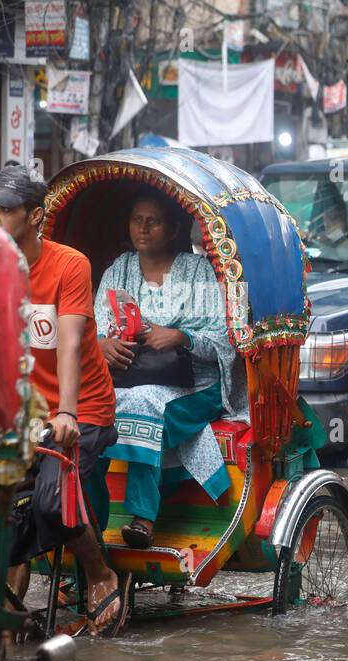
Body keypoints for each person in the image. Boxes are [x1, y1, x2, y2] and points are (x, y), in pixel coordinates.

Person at [0, 165, 126, 634]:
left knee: (50, 501)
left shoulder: (69, 264)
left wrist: (66, 412)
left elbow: (68, 343)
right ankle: (8, 608)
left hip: (82, 407)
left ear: (35, 215)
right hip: (24, 410)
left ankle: (100, 573)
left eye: (5, 210)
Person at [95, 188, 243, 548]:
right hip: (130, 377)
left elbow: (224, 342)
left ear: (174, 229)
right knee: (93, 408)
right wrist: (103, 344)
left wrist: (180, 337)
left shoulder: (199, 271)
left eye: (153, 222)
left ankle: (143, 517)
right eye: (136, 220)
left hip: (197, 383)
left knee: (144, 402)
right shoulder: (119, 269)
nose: (142, 229)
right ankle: (86, 519)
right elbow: (95, 329)